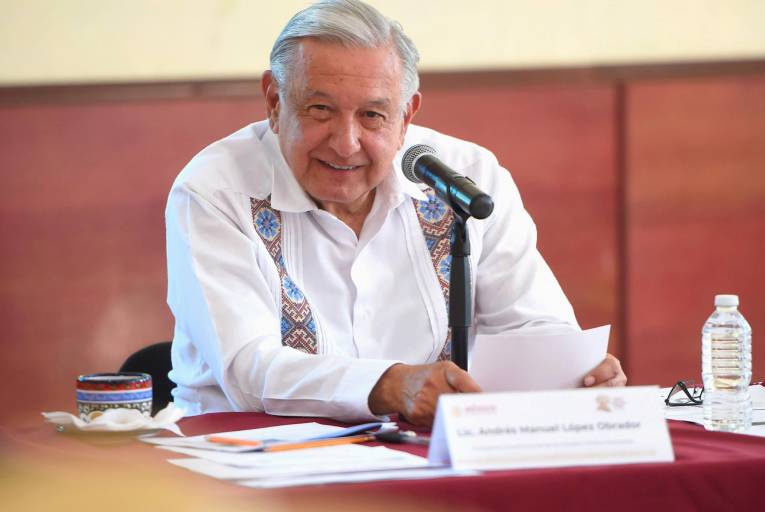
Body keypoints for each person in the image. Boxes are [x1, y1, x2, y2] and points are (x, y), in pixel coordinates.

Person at [165, 0, 626, 426]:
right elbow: (248, 368)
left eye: (372, 116)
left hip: (425, 452)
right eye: (320, 109)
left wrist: (573, 373)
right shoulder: (214, 191)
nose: (345, 143)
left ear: (406, 116)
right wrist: (388, 386)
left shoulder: (465, 179)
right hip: (247, 459)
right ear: (274, 101)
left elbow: (531, 323)